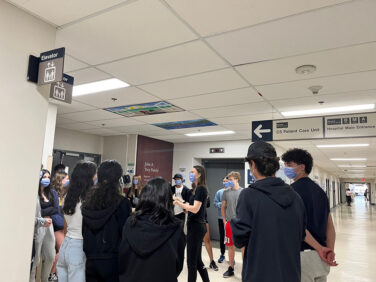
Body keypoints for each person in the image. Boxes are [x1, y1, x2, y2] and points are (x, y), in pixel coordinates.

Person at [231, 141, 307, 282]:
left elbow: (239, 239)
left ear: (253, 164)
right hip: (291, 274)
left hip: (260, 274)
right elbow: (301, 235)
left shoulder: (249, 195)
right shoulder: (295, 196)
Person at [282, 148, 338, 282]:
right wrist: (329, 251)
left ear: (302, 167)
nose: (285, 169)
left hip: (301, 256)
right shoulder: (320, 192)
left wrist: (320, 249)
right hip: (320, 258)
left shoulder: (291, 192)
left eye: (289, 165)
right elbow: (330, 227)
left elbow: (298, 226)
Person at [119, 178, 186, 282]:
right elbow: (178, 265)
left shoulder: (130, 222)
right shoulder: (176, 227)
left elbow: (122, 256)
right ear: (168, 199)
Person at [82, 160, 132, 282]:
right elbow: (125, 234)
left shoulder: (88, 202)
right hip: (113, 260)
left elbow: (84, 230)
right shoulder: (122, 203)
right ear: (118, 179)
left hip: (90, 259)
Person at [57, 161, 97, 282]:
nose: (96, 177)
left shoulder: (68, 196)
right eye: (95, 174)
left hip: (66, 244)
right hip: (79, 246)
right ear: (88, 177)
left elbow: (66, 225)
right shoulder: (89, 200)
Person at [174, 165, 210, 282]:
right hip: (194, 226)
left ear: (199, 174)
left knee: (191, 262)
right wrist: (179, 200)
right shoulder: (195, 189)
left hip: (196, 227)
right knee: (197, 260)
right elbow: (189, 205)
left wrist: (180, 204)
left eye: (192, 172)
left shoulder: (201, 189)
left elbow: (194, 209)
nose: (190, 174)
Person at [30, 170, 57, 282]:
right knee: (35, 259)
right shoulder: (34, 193)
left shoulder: (51, 192)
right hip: (38, 227)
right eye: (44, 177)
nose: (46, 179)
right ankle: (31, 279)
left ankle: (44, 279)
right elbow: (36, 212)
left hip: (49, 227)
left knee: (51, 256)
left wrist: (45, 212)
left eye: (48, 177)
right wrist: (45, 214)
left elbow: (56, 209)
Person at [221, 171, 244, 278]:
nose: (229, 181)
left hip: (242, 223)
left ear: (236, 179)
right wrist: (224, 221)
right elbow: (223, 207)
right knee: (230, 246)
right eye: (228, 179)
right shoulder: (226, 192)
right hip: (230, 223)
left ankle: (246, 269)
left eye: (231, 179)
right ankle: (231, 268)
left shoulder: (244, 192)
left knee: (244, 247)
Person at [50, 172, 68, 281]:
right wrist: (62, 223)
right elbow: (54, 212)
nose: (68, 181)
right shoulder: (53, 193)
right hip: (57, 226)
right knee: (62, 248)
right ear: (60, 180)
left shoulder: (65, 193)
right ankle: (52, 274)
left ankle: (58, 273)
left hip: (64, 226)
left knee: (64, 250)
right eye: (66, 179)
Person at [214, 178, 229, 263]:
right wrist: (222, 204)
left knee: (231, 237)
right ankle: (222, 254)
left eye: (227, 181)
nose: (225, 182)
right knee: (222, 236)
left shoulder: (233, 192)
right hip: (221, 218)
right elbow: (215, 203)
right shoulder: (219, 192)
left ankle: (232, 257)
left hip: (231, 218)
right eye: (224, 181)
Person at [203, 194, 218, 271]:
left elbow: (207, 205)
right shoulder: (190, 192)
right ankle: (195, 262)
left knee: (207, 240)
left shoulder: (205, 192)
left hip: (203, 219)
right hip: (193, 220)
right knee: (194, 243)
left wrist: (206, 197)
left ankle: (212, 262)